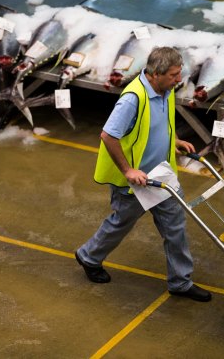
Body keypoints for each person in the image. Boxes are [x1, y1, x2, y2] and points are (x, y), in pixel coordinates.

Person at [75, 46, 212, 302]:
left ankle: (181, 282)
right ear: (155, 74)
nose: (178, 79)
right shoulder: (132, 98)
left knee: (176, 228)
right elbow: (108, 135)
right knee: (121, 223)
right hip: (136, 180)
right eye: (173, 75)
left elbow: (160, 123)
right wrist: (128, 170)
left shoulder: (166, 91)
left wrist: (175, 141)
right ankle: (89, 256)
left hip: (161, 175)